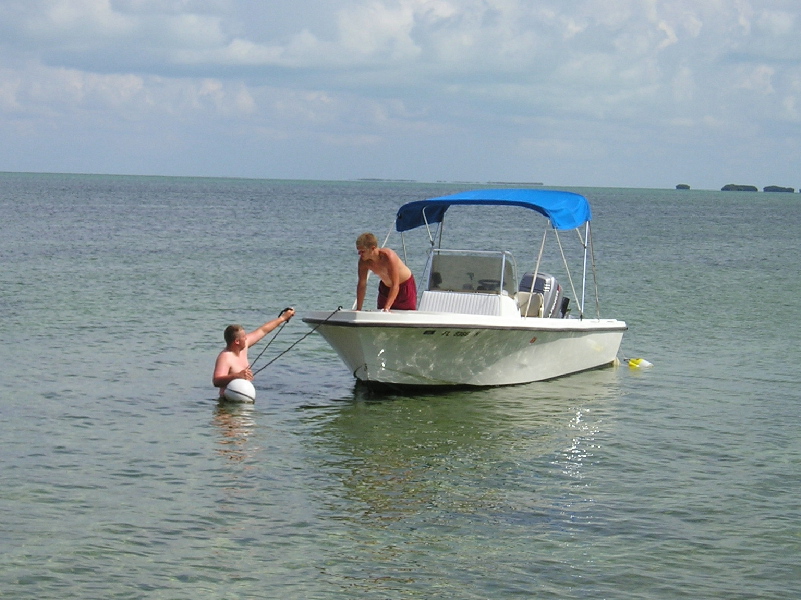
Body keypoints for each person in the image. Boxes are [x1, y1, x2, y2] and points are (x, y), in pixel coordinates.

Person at [212, 308, 295, 396]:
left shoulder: (243, 347)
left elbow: (263, 330)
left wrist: (283, 318)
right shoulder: (225, 357)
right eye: (244, 337)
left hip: (244, 397)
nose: (246, 338)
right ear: (237, 341)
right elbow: (216, 381)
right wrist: (237, 376)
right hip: (227, 402)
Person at [355, 232, 417, 311]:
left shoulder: (388, 256)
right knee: (381, 315)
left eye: (362, 251)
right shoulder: (364, 262)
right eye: (359, 251)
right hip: (386, 288)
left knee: (405, 315)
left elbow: (395, 284)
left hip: (404, 287)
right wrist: (358, 309)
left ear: (373, 248)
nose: (359, 254)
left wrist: (387, 308)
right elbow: (362, 284)